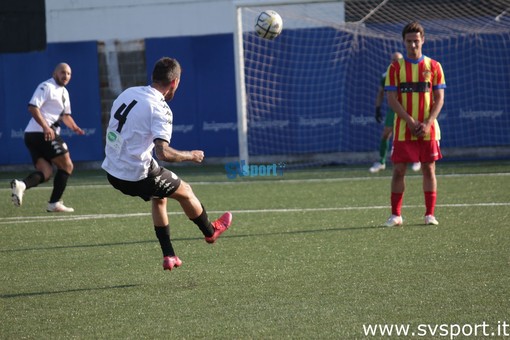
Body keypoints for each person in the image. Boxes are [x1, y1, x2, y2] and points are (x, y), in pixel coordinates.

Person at [102, 57, 232, 271]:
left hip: (112, 169)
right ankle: (211, 231)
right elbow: (163, 153)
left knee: (160, 198)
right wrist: (191, 155)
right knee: (186, 192)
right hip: (136, 175)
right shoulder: (160, 108)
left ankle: (169, 255)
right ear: (175, 82)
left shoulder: (128, 93)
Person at [383, 22, 446, 227]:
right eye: (409, 41)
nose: (412, 45)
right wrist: (410, 121)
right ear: (404, 41)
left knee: (429, 169)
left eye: (416, 41)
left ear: (423, 40)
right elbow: (392, 99)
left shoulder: (434, 66)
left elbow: (440, 98)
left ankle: (429, 214)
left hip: (428, 129)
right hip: (403, 128)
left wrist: (428, 122)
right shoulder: (395, 68)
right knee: (399, 170)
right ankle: (396, 215)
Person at [11, 63, 85, 212]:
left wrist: (75, 127)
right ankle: (54, 203)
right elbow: (33, 107)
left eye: (69, 74)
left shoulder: (64, 92)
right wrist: (45, 127)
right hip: (41, 133)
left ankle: (22, 185)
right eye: (62, 72)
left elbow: (65, 116)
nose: (66, 76)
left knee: (46, 172)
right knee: (67, 165)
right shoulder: (46, 86)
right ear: (54, 73)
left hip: (35, 135)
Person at [370, 52, 421, 174]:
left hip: (408, 108)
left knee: (413, 132)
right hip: (393, 109)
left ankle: (417, 159)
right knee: (386, 133)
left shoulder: (409, 73)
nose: (394, 62)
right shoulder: (385, 76)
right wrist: (377, 109)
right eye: (393, 60)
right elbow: (381, 93)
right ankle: (381, 162)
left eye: (397, 60)